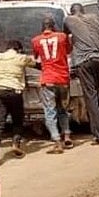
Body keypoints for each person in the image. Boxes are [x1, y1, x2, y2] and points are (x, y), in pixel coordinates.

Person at [64, 3, 99, 145]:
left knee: (90, 99)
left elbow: (65, 35)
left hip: (84, 62)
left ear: (72, 12)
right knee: (96, 95)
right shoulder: (94, 18)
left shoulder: (69, 20)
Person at [32, 17, 74, 154]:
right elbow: (68, 51)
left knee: (50, 111)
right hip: (63, 78)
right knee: (63, 109)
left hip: (48, 79)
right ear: (53, 26)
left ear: (42, 27)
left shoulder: (36, 40)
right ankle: (67, 135)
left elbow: (37, 57)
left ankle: (56, 141)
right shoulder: (62, 36)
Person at [0, 40, 36, 162]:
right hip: (14, 91)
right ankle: (16, 144)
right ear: (19, 49)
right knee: (17, 120)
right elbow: (36, 65)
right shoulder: (22, 57)